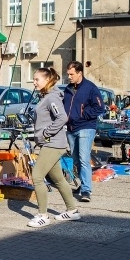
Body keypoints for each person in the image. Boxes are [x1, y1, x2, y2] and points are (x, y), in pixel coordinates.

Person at [28, 67, 82, 228]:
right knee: (58, 179)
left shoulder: (52, 97)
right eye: (34, 79)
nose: (34, 82)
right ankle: (72, 210)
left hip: (52, 144)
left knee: (37, 177)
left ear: (47, 80)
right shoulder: (46, 96)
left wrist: (45, 133)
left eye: (37, 79)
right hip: (50, 143)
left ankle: (43, 216)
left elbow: (62, 117)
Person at [63, 61, 105, 202]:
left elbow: (100, 108)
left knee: (83, 158)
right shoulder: (68, 89)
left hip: (86, 127)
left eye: (71, 74)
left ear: (80, 73)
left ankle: (86, 190)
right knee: (76, 159)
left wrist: (83, 114)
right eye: (68, 74)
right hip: (71, 129)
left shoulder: (90, 88)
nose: (69, 76)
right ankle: (83, 184)